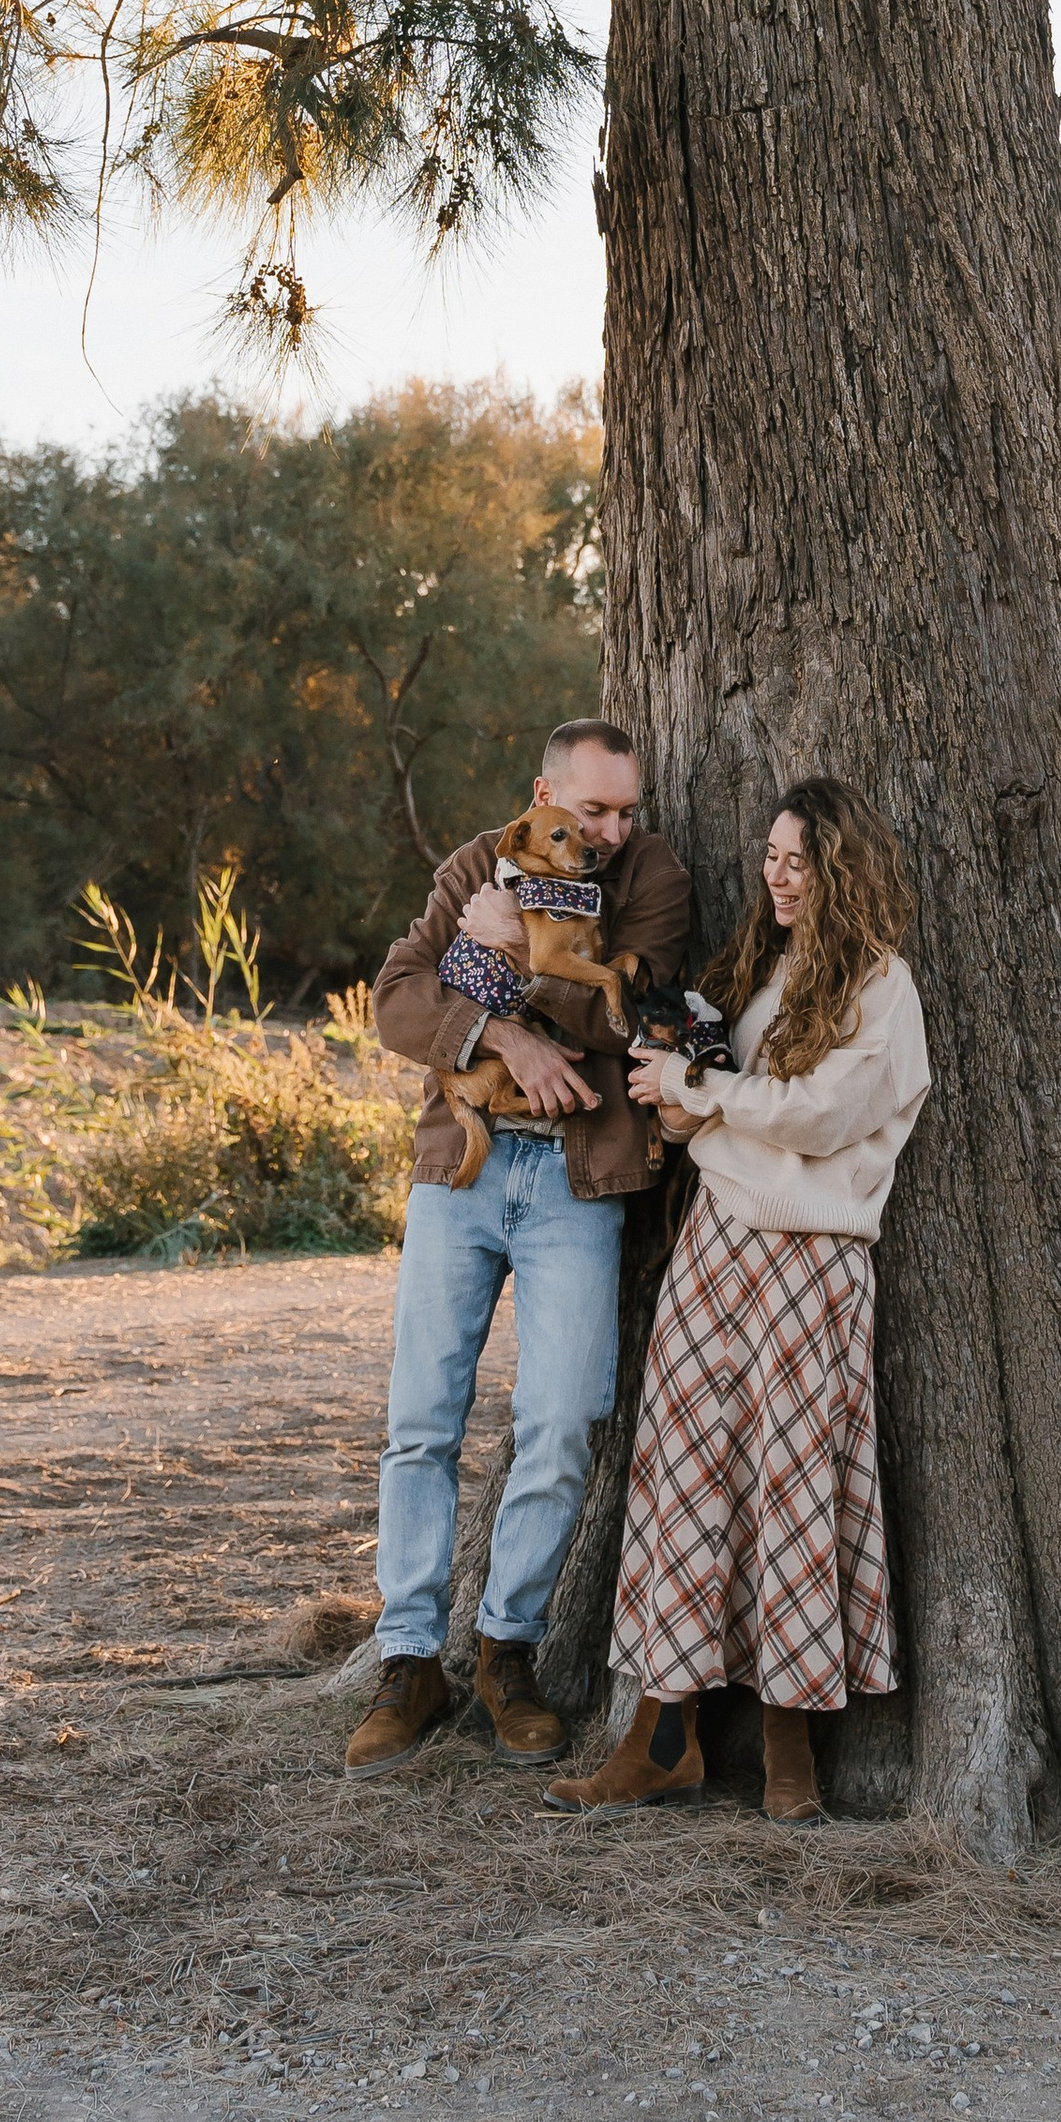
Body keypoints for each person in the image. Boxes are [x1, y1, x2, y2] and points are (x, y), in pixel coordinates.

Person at [544, 774, 930, 1826]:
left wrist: (700, 1096)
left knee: (792, 1489)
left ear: (842, 867)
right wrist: (670, 1098)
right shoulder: (760, 975)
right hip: (716, 1245)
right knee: (684, 1484)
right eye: (769, 856)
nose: (776, 874)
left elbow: (823, 1115)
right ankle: (659, 1736)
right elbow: (717, 1116)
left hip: (811, 1258)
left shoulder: (882, 988)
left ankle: (789, 1742)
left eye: (798, 859)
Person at [351, 719, 692, 1779]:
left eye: (623, 811)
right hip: (461, 1167)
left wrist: (502, 965)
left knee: (560, 1422)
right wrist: (500, 1032)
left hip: (580, 1181)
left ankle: (507, 1652)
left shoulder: (652, 877)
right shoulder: (474, 864)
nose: (607, 831)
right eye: (589, 811)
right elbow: (397, 1002)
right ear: (544, 796)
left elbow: (631, 1013)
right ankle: (408, 1661)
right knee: (421, 1423)